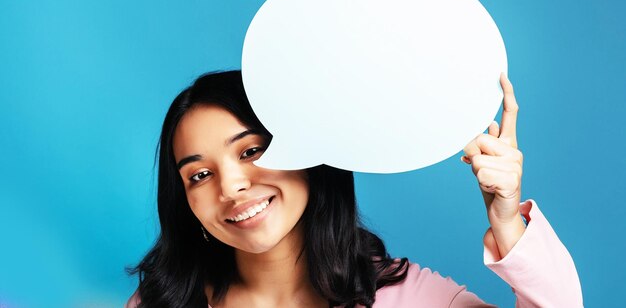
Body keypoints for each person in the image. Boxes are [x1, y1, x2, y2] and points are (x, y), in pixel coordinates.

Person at [126, 70, 582, 307]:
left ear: (309, 156)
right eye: (199, 175)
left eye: (250, 151)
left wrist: (506, 222)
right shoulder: (162, 303)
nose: (232, 185)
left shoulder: (406, 296)